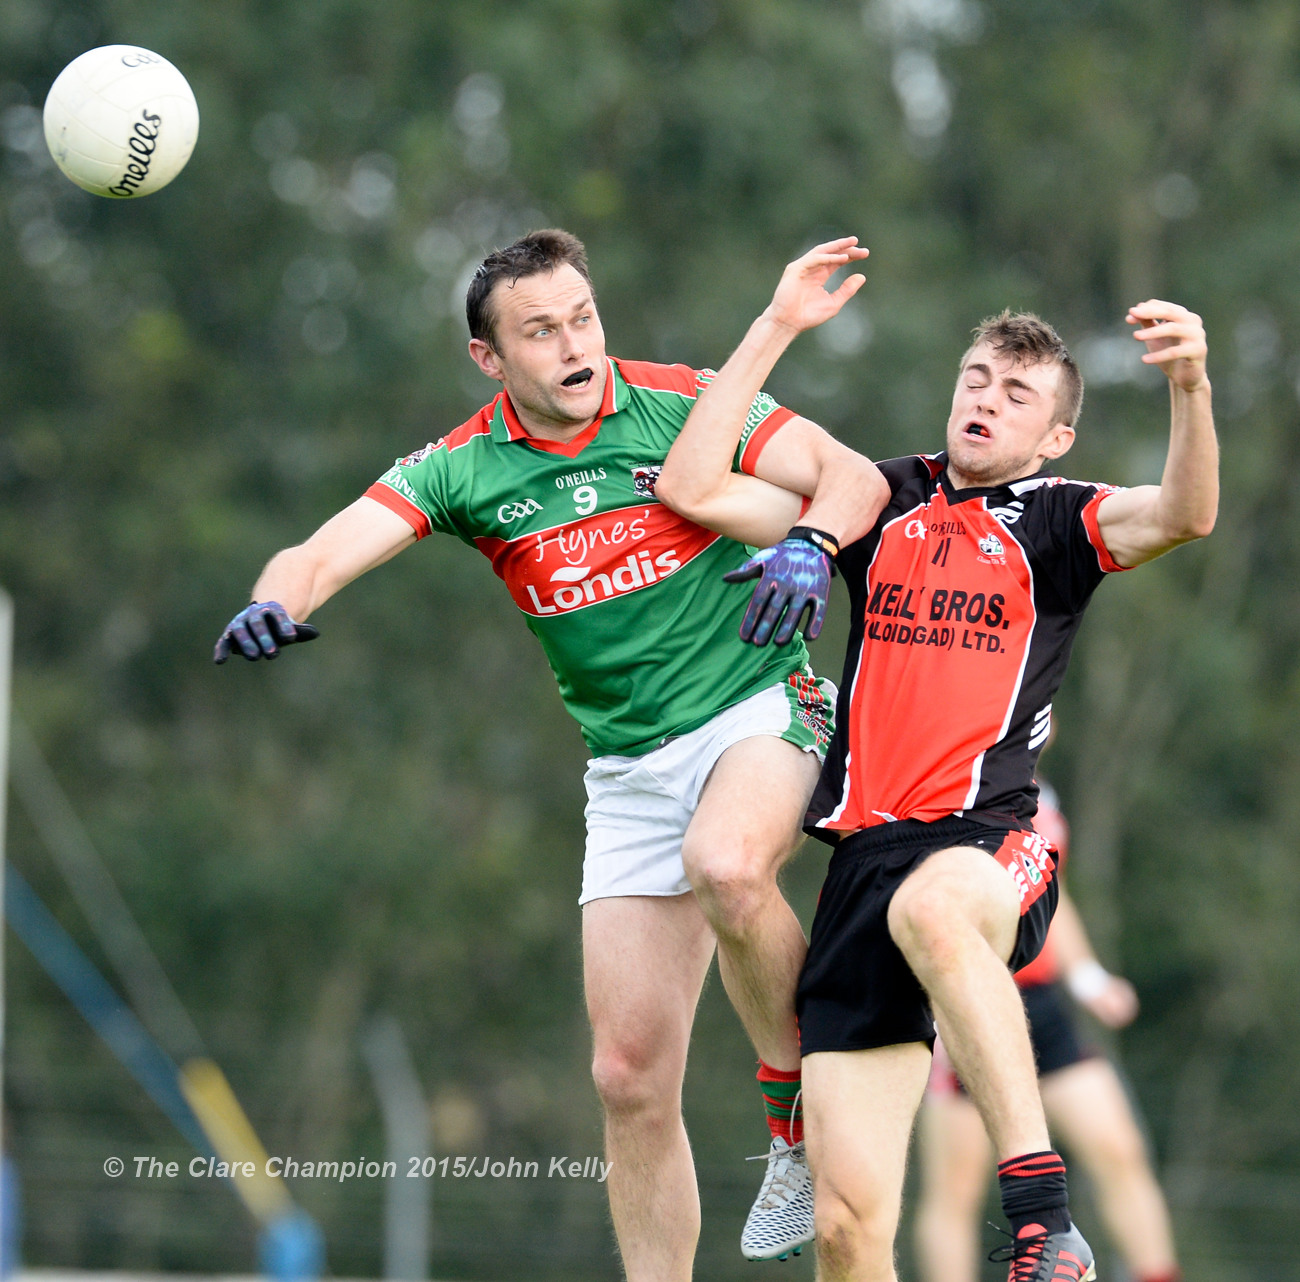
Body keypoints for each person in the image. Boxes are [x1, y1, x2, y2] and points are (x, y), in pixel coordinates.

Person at [213, 229, 890, 1278]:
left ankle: (793, 1123)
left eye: (581, 317)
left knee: (727, 861)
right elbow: (319, 550)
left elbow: (850, 476)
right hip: (625, 771)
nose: (573, 344)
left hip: (760, 706)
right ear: (490, 359)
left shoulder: (679, 402)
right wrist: (273, 600)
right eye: (539, 331)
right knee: (624, 1075)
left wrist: (812, 544)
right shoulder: (461, 468)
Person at [653, 235, 1217, 1282]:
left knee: (933, 909)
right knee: (846, 1230)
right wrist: (777, 323)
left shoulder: (1057, 519)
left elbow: (1185, 513)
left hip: (985, 845)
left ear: (1053, 436)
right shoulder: (874, 496)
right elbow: (692, 481)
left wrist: (1187, 384)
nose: (986, 400)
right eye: (975, 379)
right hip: (858, 867)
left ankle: (1045, 1221)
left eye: (1015, 393)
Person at [915, 779, 1182, 1282]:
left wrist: (1088, 978)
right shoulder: (952, 782)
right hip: (969, 1002)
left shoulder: (1043, 796)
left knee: (1119, 1150)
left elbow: (1047, 890)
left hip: (1042, 1006)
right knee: (957, 1190)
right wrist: (937, 1004)